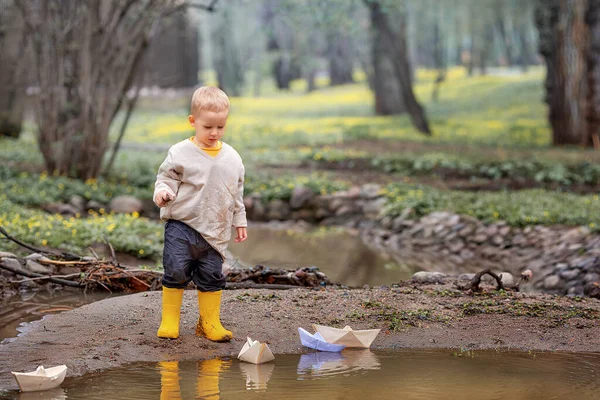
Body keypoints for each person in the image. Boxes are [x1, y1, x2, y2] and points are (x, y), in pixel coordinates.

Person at [153, 86, 247, 342]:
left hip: (215, 230)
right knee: (176, 271)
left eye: (221, 127)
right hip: (182, 224)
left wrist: (239, 221)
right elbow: (165, 178)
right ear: (193, 122)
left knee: (211, 275)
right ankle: (170, 321)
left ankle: (209, 323)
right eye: (208, 127)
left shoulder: (233, 158)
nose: (214, 133)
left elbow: (235, 192)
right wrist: (162, 193)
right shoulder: (180, 153)